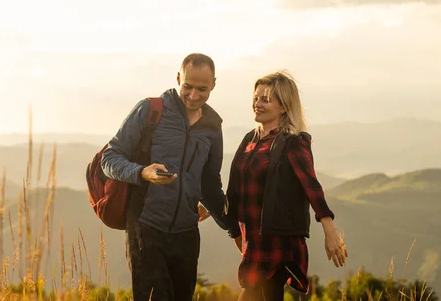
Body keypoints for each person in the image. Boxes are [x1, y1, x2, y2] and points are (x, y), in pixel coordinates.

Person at [100, 53, 240, 301]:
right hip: (146, 227)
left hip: (187, 235)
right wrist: (142, 172)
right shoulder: (151, 110)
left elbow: (209, 185)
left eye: (202, 89)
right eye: (187, 86)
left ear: (214, 85)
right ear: (178, 78)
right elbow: (109, 159)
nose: (194, 95)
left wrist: (235, 231)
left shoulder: (212, 126)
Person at [223, 70, 348, 300]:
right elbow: (239, 183)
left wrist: (330, 231)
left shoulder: (292, 141)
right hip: (251, 239)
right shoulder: (250, 139)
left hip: (276, 241)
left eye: (266, 99)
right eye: (256, 98)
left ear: (283, 107)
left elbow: (311, 186)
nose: (257, 104)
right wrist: (216, 207)